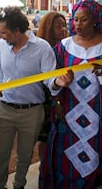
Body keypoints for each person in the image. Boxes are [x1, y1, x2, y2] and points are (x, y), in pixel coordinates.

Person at [39, 0, 102, 188]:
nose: (78, 24)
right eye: (75, 19)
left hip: (99, 115)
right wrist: (57, 98)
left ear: (96, 20)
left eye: (84, 20)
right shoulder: (63, 47)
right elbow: (51, 79)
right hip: (68, 114)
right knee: (65, 153)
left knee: (93, 152)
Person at [0, 7, 62, 189]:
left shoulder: (42, 48)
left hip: (31, 112)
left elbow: (49, 79)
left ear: (17, 30)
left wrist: (57, 83)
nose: (1, 37)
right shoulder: (2, 47)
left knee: (25, 156)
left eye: (4, 32)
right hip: (4, 109)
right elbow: (0, 75)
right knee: (0, 155)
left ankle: (19, 186)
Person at [35, 11, 69, 158]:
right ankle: (45, 168)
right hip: (47, 100)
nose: (63, 29)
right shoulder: (41, 49)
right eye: (58, 26)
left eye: (64, 26)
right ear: (48, 28)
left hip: (65, 97)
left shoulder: (68, 48)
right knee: (46, 137)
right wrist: (57, 101)